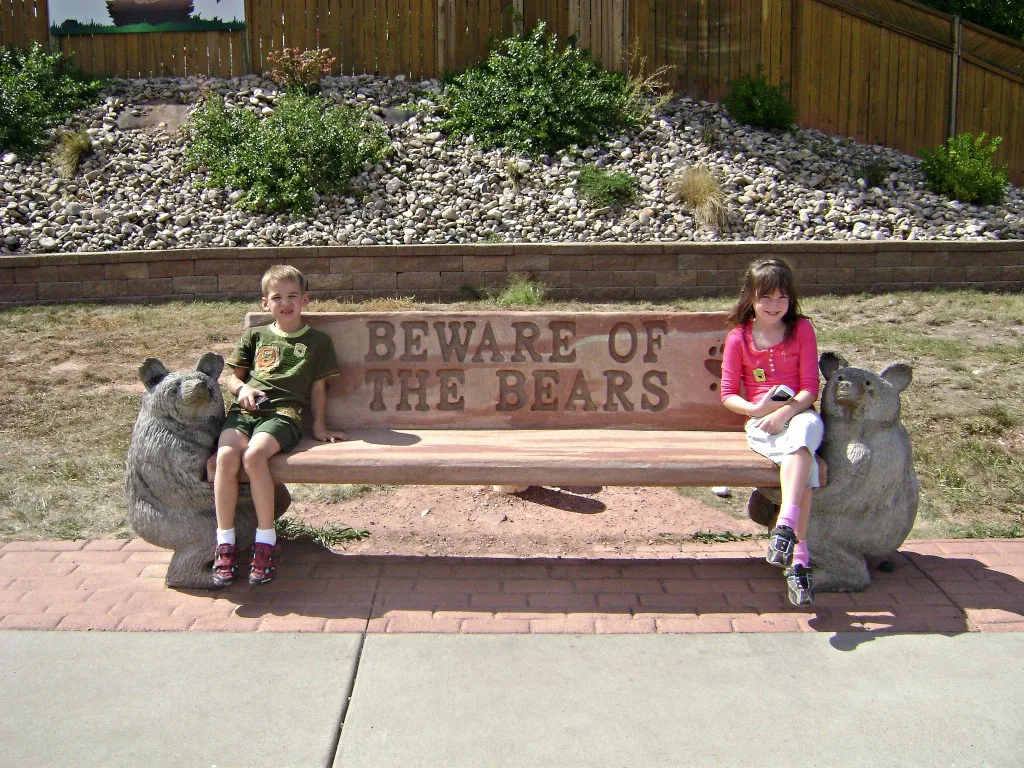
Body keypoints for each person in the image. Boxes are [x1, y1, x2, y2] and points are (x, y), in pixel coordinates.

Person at [210, 265, 347, 587]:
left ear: (306, 300)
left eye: (292, 296)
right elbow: (232, 377)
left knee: (254, 456)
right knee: (226, 457)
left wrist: (319, 427)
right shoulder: (255, 336)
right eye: (277, 298)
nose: (285, 303)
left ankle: (266, 540)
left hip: (283, 415)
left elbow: (318, 388)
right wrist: (242, 390)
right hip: (247, 411)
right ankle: (224, 541)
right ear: (264, 303)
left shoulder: (318, 341)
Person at [720, 258, 823, 606]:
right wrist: (757, 410)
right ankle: (799, 559)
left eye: (782, 298)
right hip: (763, 423)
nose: (775, 306)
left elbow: (810, 387)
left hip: (798, 416)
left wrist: (788, 412)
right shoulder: (739, 338)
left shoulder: (802, 330)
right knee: (804, 467)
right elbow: (728, 394)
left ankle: (784, 528)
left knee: (805, 431)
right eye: (766, 298)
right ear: (751, 298)